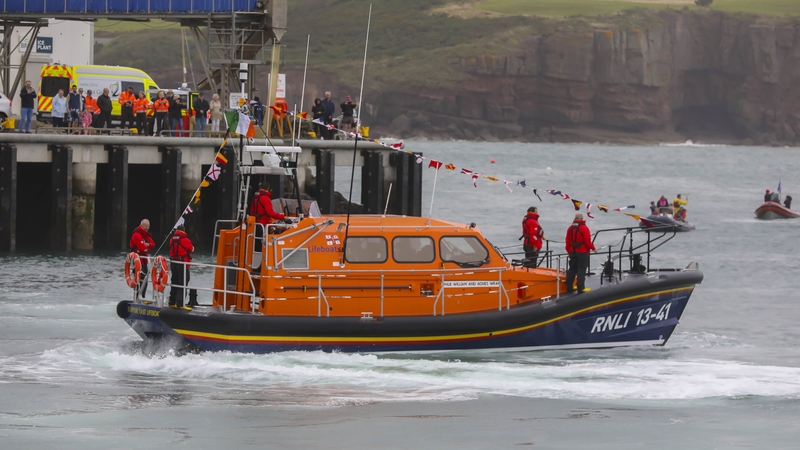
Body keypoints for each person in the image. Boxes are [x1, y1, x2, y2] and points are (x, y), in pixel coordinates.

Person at [249, 181, 286, 270]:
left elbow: (252, 211)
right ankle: (264, 265)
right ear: (268, 188)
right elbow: (270, 212)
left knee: (257, 246)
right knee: (264, 246)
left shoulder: (255, 197)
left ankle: (256, 266)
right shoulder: (265, 198)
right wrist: (282, 217)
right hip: (263, 225)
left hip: (256, 225)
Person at [565, 213, 597, 293]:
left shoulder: (570, 228)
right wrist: (594, 248)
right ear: (582, 219)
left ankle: (569, 286)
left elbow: (567, 241)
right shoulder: (584, 228)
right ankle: (581, 287)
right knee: (581, 269)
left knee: (572, 268)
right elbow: (587, 242)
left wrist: (568, 251)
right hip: (582, 252)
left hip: (572, 251)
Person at [169, 225, 194, 308]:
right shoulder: (186, 240)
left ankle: (172, 301)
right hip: (182, 264)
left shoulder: (171, 239)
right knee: (183, 282)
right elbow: (191, 249)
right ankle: (180, 303)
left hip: (173, 263)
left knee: (174, 281)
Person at [129, 219, 156, 298]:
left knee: (145, 280)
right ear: (141, 225)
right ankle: (137, 297)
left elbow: (153, 244)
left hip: (144, 260)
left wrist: (147, 245)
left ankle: (142, 296)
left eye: (148, 226)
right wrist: (147, 246)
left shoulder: (146, 234)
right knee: (139, 279)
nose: (147, 228)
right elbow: (142, 248)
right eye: (145, 227)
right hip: (137, 260)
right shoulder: (137, 234)